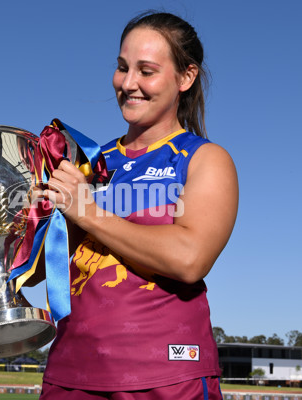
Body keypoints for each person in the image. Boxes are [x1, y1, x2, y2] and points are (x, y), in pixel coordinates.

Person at [39, 11, 238, 400]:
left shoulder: (204, 159)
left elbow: (189, 258)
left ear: (186, 77)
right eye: (121, 67)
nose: (128, 83)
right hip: (72, 373)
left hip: (166, 374)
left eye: (146, 71)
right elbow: (44, 267)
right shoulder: (89, 164)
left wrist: (87, 211)